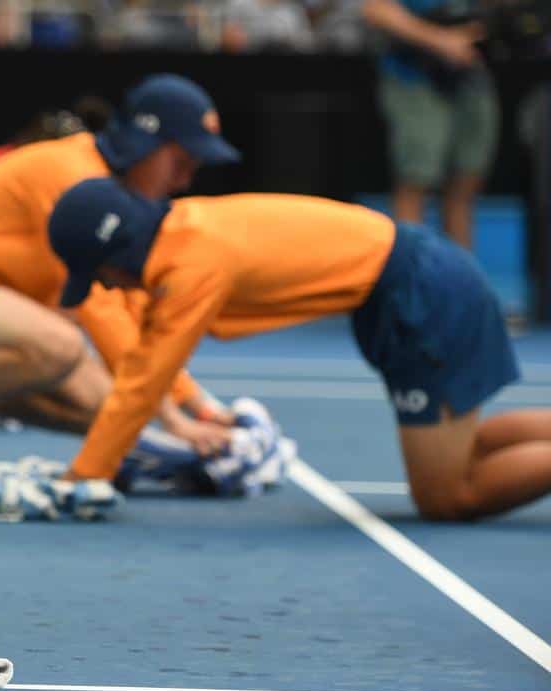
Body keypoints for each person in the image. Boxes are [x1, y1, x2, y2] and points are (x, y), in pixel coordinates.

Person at [47, 177, 551, 521]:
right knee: (471, 450)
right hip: (414, 280)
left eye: (101, 275)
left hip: (423, 292)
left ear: (119, 253)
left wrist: (82, 477)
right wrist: (194, 411)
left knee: (446, 497)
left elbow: (143, 380)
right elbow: (149, 356)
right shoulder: (183, 231)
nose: (107, 289)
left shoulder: (191, 269)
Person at [0, 74, 243, 488]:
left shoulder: (115, 194)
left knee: (110, 411)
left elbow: (139, 318)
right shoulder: (79, 180)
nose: (183, 180)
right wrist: (173, 421)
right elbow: (102, 314)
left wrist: (200, 408)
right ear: (147, 143)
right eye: (181, 161)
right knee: (62, 348)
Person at [361, 0, 499, 251]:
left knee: (465, 186)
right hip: (414, 76)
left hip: (471, 74)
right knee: (416, 180)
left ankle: (461, 281)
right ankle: (409, 279)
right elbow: (376, 10)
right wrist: (440, 40)